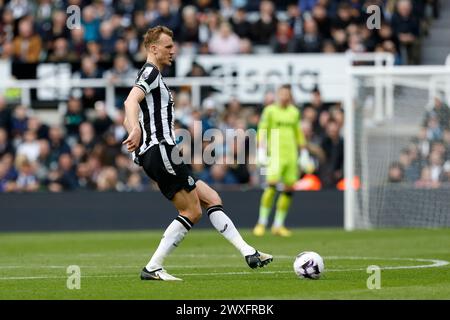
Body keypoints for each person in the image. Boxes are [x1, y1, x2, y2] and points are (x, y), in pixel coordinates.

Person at [122, 26, 272, 281]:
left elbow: (133, 112)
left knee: (211, 198)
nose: (173, 50)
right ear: (153, 48)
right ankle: (153, 267)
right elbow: (129, 102)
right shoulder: (150, 71)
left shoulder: (153, 75)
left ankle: (249, 252)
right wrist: (136, 129)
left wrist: (135, 133)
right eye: (168, 46)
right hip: (162, 150)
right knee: (191, 212)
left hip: (160, 152)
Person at [253, 85, 306, 237]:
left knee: (289, 189)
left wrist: (303, 152)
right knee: (271, 186)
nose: (284, 97)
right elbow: (262, 130)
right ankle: (261, 223)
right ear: (277, 95)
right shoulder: (270, 111)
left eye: (287, 94)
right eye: (281, 94)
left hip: (291, 155)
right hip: (275, 154)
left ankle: (278, 225)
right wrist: (261, 150)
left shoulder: (294, 112)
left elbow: (298, 133)